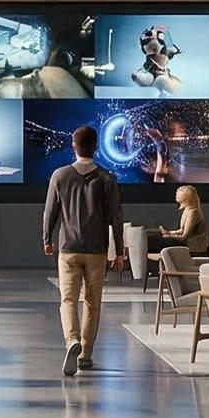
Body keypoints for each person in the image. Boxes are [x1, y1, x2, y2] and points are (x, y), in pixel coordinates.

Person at [43, 124, 125, 376]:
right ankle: (86, 355)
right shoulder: (107, 178)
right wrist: (119, 252)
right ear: (97, 147)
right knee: (93, 302)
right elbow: (116, 217)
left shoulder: (59, 175)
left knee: (68, 299)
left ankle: (72, 341)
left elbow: (50, 212)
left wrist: (47, 238)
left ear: (73, 146)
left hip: (68, 249)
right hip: (97, 250)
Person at [147, 184, 209, 257]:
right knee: (151, 235)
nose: (176, 195)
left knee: (153, 241)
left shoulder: (193, 212)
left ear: (186, 196)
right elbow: (181, 230)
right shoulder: (186, 210)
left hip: (192, 245)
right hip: (185, 242)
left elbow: (184, 236)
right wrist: (168, 232)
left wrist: (169, 236)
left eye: (178, 194)